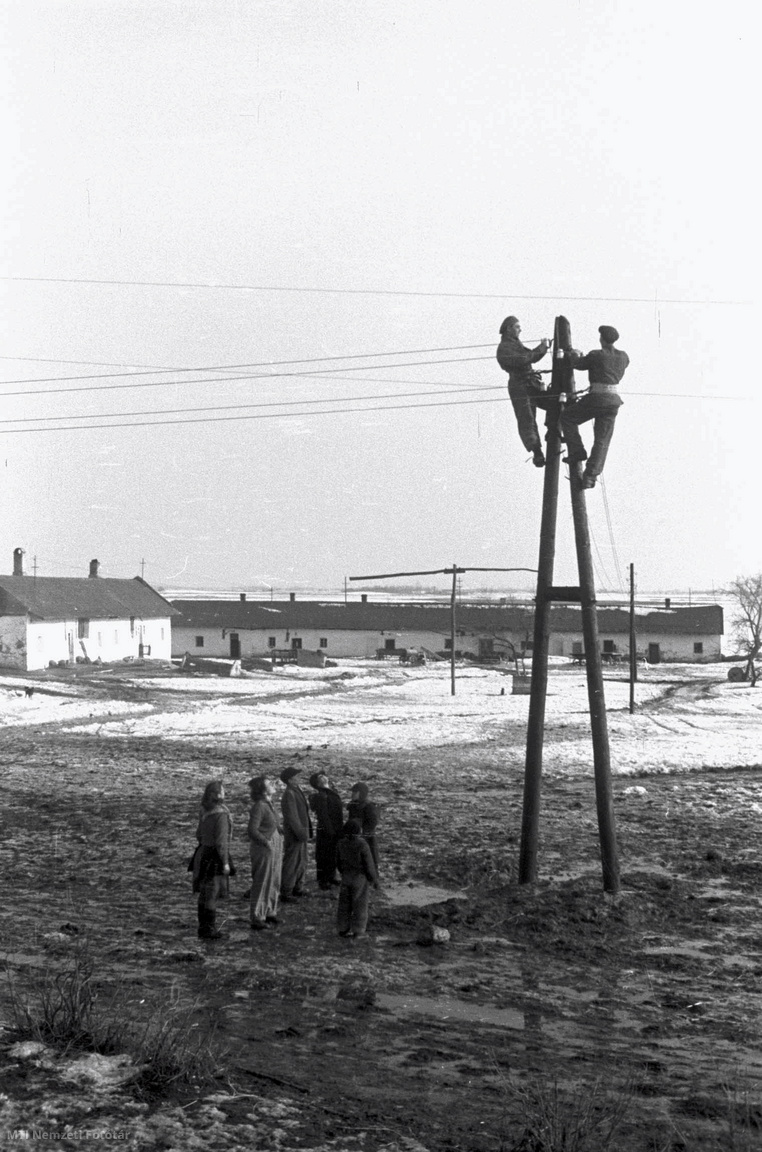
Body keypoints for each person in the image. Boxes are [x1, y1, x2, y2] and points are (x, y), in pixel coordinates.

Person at [560, 325, 630, 489]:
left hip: (598, 398)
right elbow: (620, 364)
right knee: (602, 441)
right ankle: (590, 477)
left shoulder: (596, 355)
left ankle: (577, 451)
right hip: (613, 402)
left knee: (568, 417)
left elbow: (577, 363)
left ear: (602, 339)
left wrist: (573, 354)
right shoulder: (624, 357)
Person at [496, 316, 551, 467]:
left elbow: (530, 356)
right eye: (517, 327)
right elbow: (526, 358)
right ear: (509, 328)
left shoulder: (515, 344)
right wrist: (542, 348)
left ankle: (552, 433)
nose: (520, 330)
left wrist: (543, 348)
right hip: (519, 385)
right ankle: (537, 451)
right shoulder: (504, 348)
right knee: (527, 418)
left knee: (555, 401)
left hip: (530, 382)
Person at [191, 780, 234, 940]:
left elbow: (198, 834)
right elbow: (222, 842)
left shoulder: (203, 810)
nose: (225, 793)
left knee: (203, 892)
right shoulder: (221, 814)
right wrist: (225, 863)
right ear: (217, 795)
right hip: (214, 856)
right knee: (212, 892)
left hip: (202, 853)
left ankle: (203, 927)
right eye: (223, 790)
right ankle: (209, 929)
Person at [247, 775, 283, 930]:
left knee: (274, 878)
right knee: (263, 881)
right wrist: (266, 841)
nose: (273, 784)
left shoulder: (269, 804)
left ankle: (269, 912)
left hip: (273, 844)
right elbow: (252, 830)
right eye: (269, 783)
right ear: (262, 790)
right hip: (264, 847)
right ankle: (257, 916)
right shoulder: (260, 806)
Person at [336, 818, 378, 938]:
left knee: (344, 905)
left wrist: (343, 872)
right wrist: (373, 879)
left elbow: (338, 861)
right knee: (360, 904)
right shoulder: (362, 844)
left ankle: (342, 928)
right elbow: (369, 864)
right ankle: (358, 930)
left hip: (346, 877)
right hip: (359, 878)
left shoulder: (341, 843)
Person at [280, 766, 313, 901]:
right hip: (295, 834)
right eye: (296, 776)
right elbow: (292, 817)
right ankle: (286, 891)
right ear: (290, 780)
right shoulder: (290, 794)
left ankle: (297, 887)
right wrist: (301, 833)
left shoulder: (295, 790)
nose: (299, 778)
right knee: (292, 862)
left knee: (302, 861)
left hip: (300, 833)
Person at [308, 771, 344, 889]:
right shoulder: (321, 795)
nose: (324, 778)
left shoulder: (330, 792)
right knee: (324, 854)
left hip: (335, 826)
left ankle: (331, 876)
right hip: (327, 829)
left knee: (332, 853)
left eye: (324, 776)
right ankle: (323, 880)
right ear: (317, 784)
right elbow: (323, 815)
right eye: (320, 778)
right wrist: (330, 831)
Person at [347, 782, 380, 872]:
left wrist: (362, 832)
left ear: (361, 793)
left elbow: (372, 823)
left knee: (370, 862)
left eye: (355, 792)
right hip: (355, 838)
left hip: (367, 839)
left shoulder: (369, 806)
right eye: (352, 792)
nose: (352, 794)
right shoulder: (352, 805)